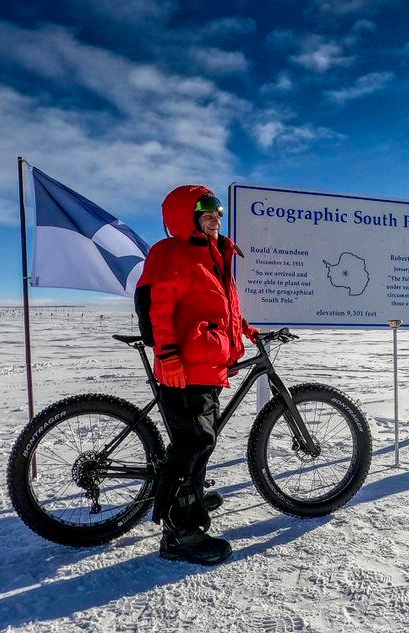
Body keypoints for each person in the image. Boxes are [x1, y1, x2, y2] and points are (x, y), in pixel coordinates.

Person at [135, 185, 259, 565]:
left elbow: (222, 306)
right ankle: (180, 533)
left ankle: (192, 492)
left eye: (218, 210)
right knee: (195, 440)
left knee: (203, 436)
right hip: (185, 365)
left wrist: (247, 330)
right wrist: (168, 356)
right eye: (205, 210)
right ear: (184, 214)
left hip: (207, 361)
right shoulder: (172, 252)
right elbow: (158, 307)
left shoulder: (213, 254)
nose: (215, 216)